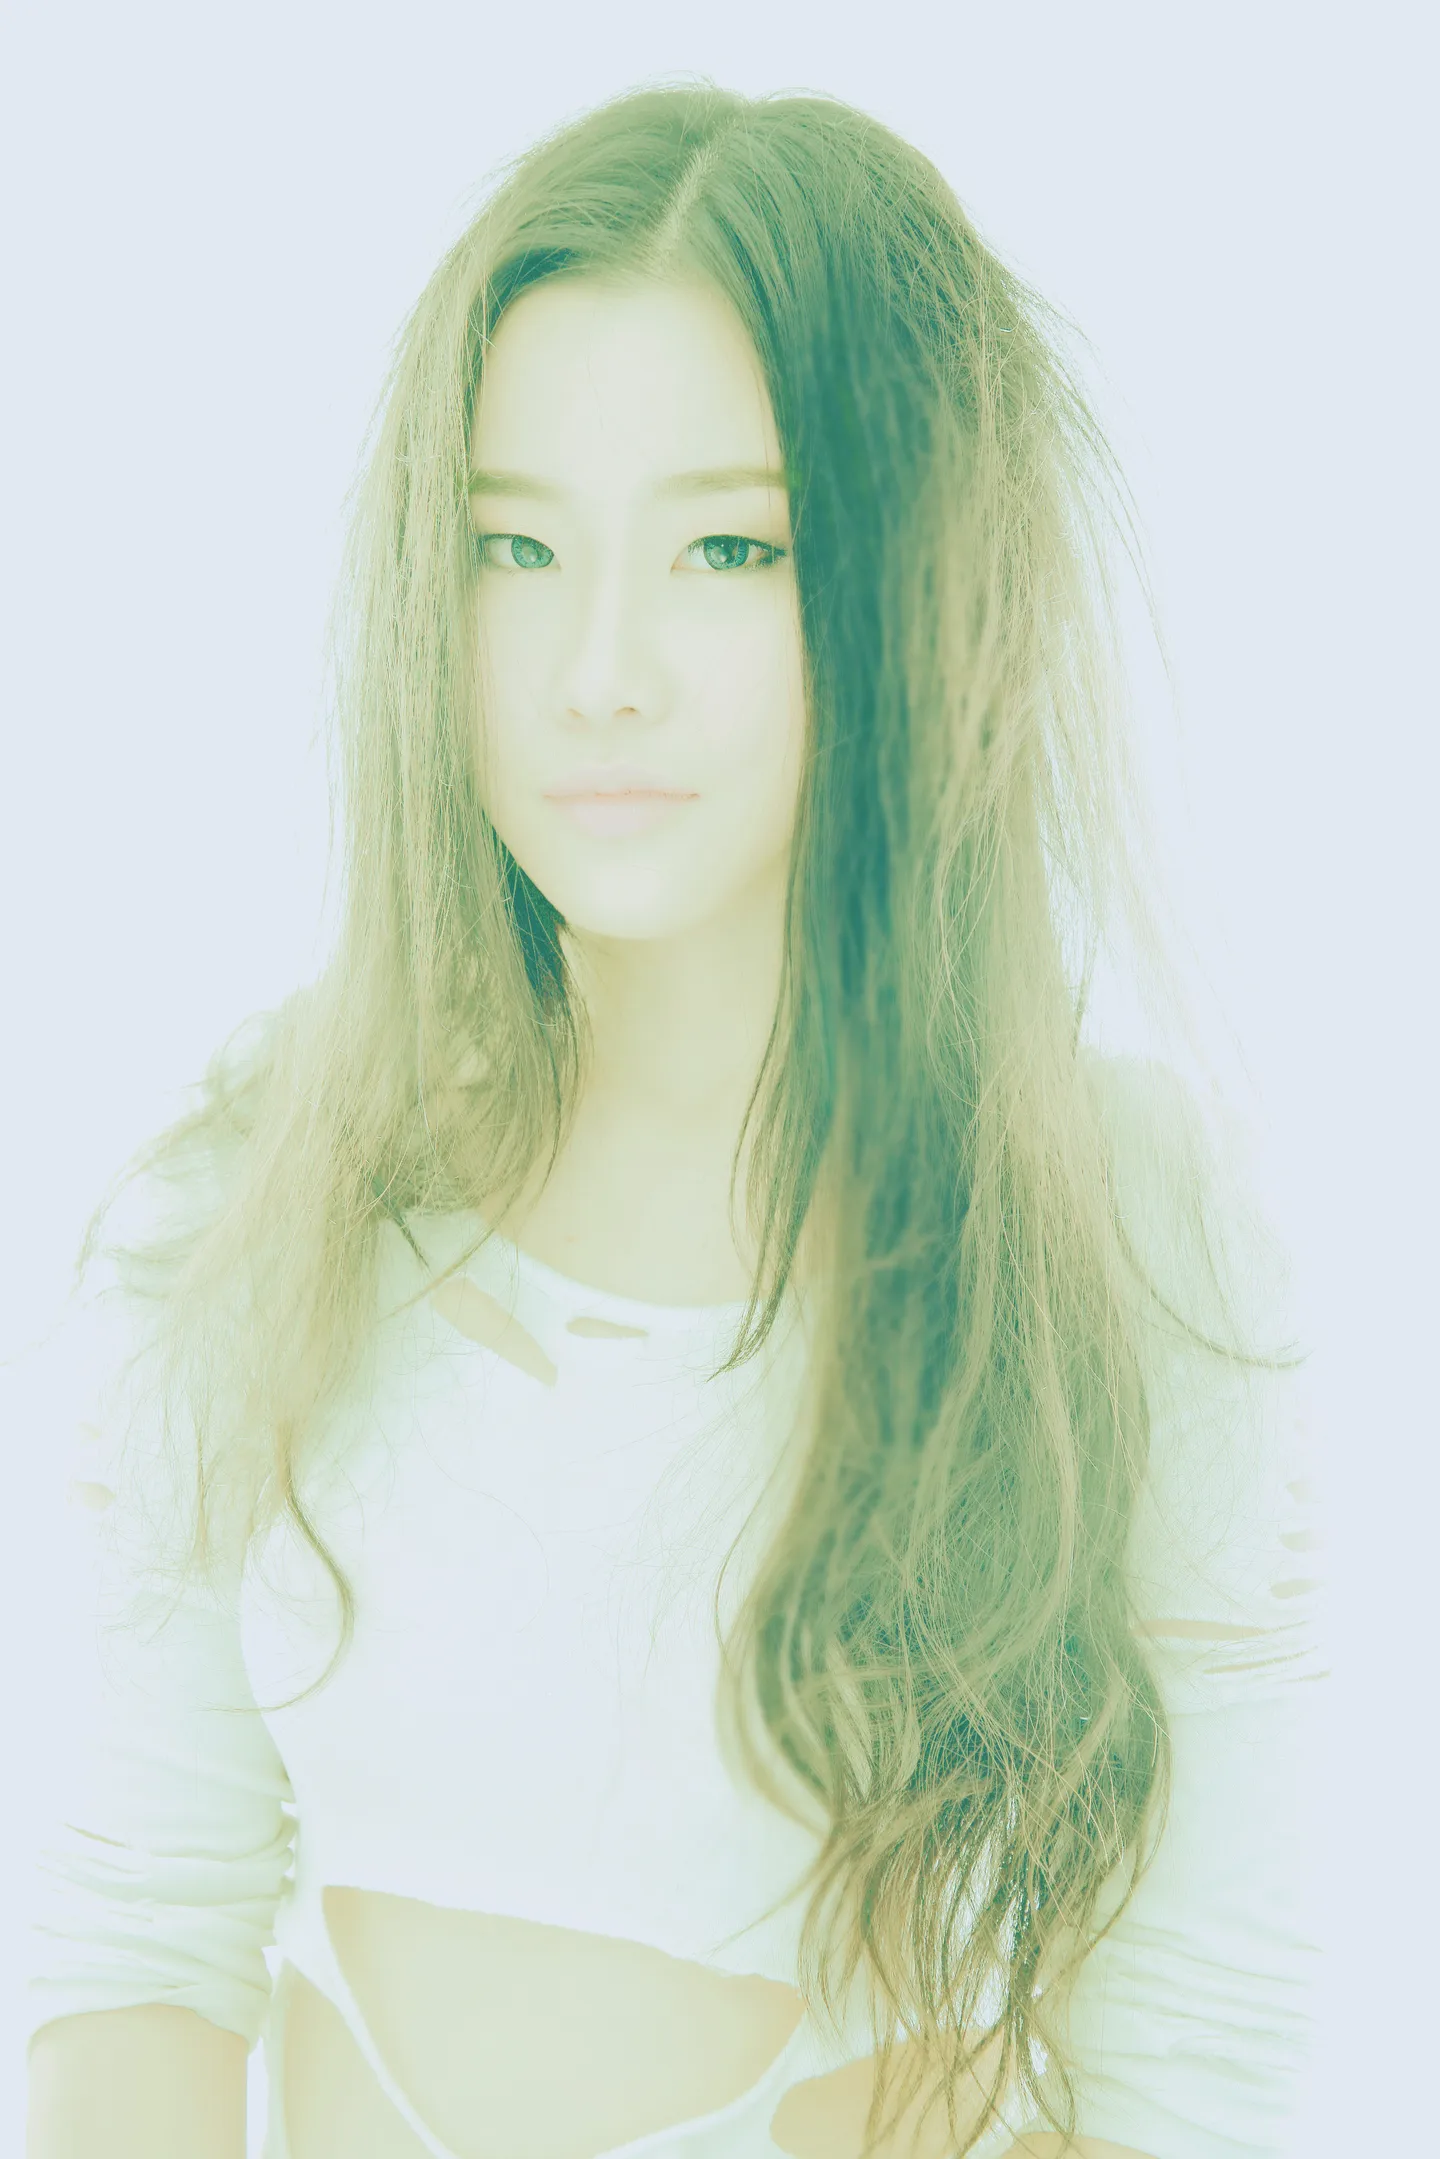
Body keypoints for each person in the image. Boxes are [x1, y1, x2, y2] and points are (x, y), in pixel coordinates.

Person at [22, 80, 1324, 2159]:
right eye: (516, 546)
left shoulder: (1115, 1236)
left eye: (730, 546)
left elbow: (1195, 2061)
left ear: (922, 584)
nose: (597, 669)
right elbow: (132, 1949)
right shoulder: (267, 1186)